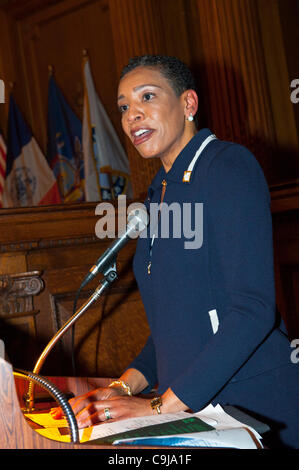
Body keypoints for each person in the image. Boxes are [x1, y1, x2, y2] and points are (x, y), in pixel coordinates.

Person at [51, 55, 299, 448]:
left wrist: (156, 409)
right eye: (123, 107)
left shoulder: (227, 166)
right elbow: (176, 329)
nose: (132, 115)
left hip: (250, 407)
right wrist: (122, 387)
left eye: (147, 96)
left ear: (188, 105)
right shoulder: (158, 195)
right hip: (187, 409)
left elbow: (252, 310)